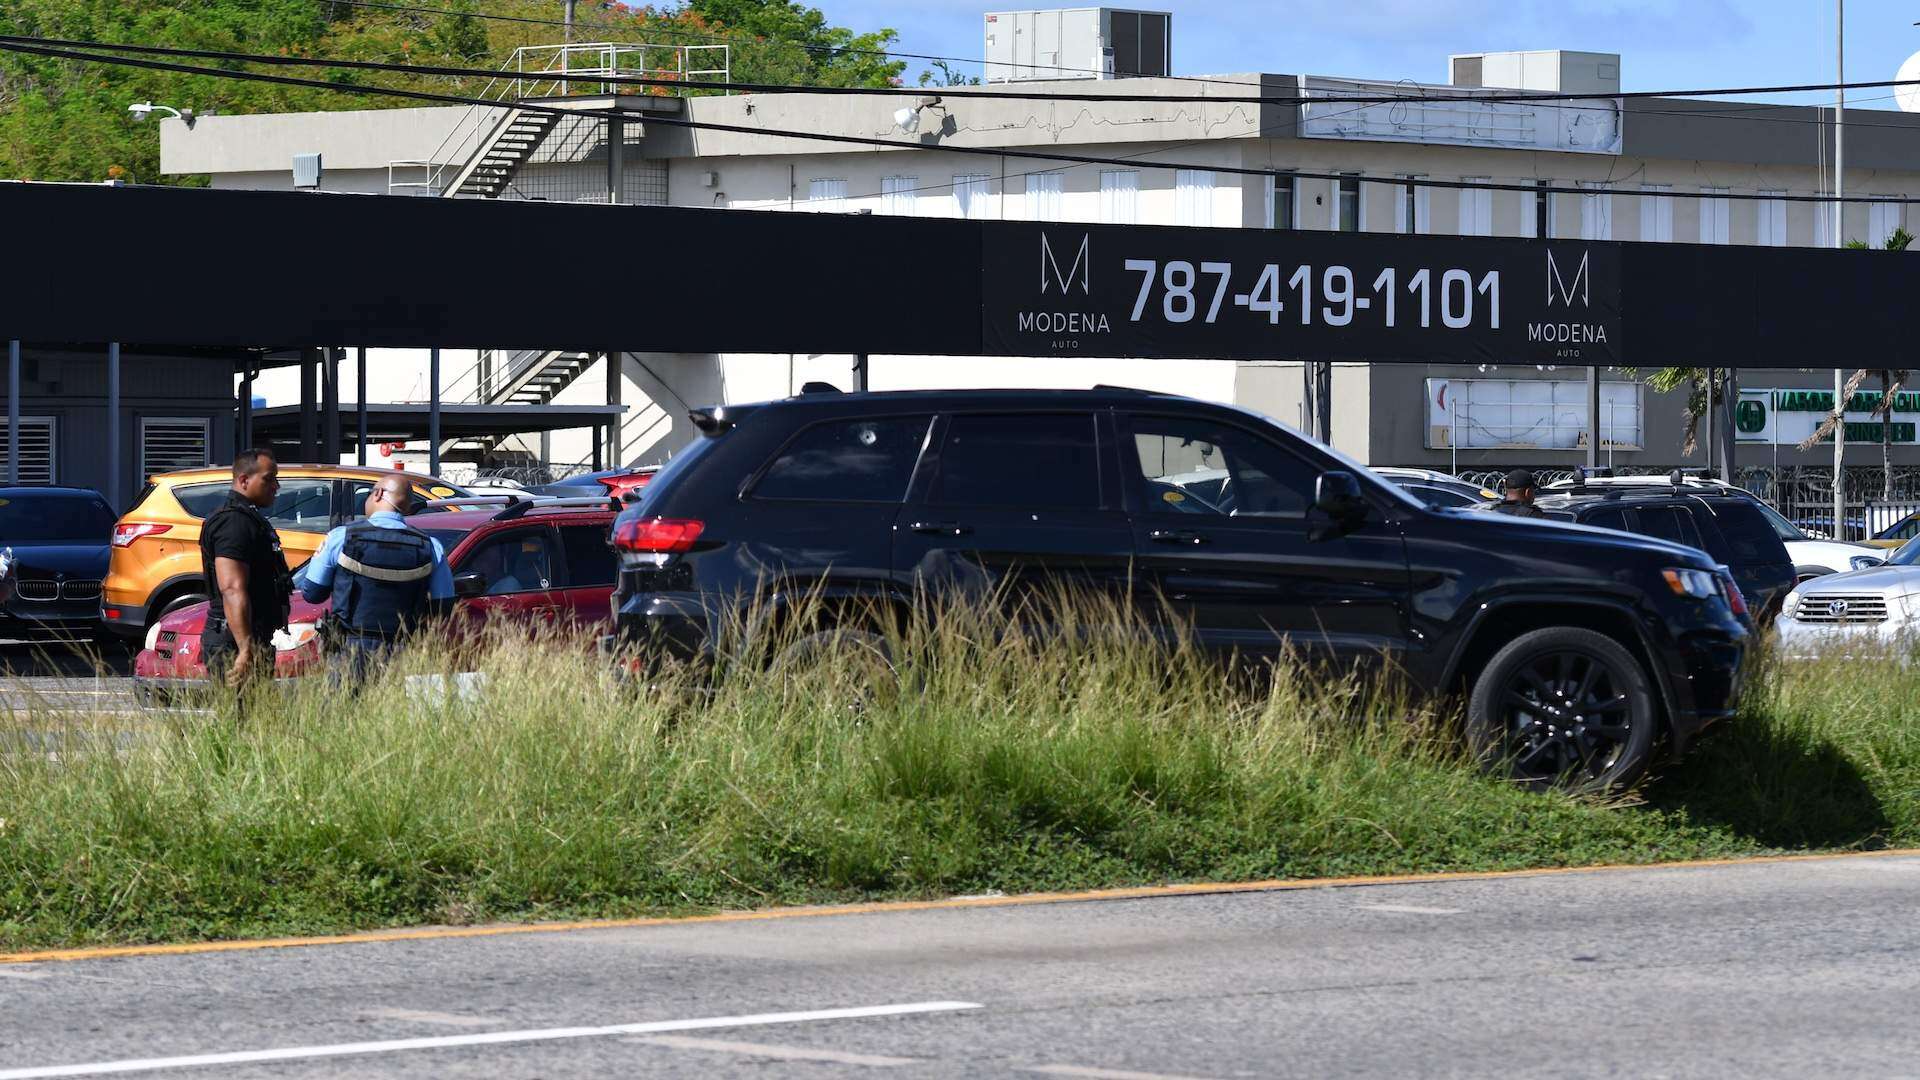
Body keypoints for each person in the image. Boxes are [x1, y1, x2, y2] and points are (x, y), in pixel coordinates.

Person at [296, 473, 454, 683]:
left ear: (378, 494)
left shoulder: (340, 537)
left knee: (343, 710)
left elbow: (312, 593)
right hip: (403, 650)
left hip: (348, 649)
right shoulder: (430, 546)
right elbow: (443, 607)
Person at [200, 448, 294, 697]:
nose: (276, 486)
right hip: (234, 641)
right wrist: (244, 648)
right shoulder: (234, 524)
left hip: (251, 636)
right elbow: (232, 588)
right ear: (244, 480)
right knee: (240, 718)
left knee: (254, 723)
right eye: (268, 478)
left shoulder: (249, 519)